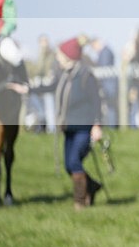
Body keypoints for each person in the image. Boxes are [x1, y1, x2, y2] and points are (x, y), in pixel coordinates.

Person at [21, 37, 104, 210]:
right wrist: (28, 89)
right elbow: (49, 87)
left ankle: (80, 202)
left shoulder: (86, 76)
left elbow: (96, 102)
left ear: (68, 56)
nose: (57, 57)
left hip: (83, 127)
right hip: (68, 128)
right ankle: (93, 186)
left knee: (74, 161)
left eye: (59, 54)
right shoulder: (62, 75)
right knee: (69, 165)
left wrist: (97, 125)